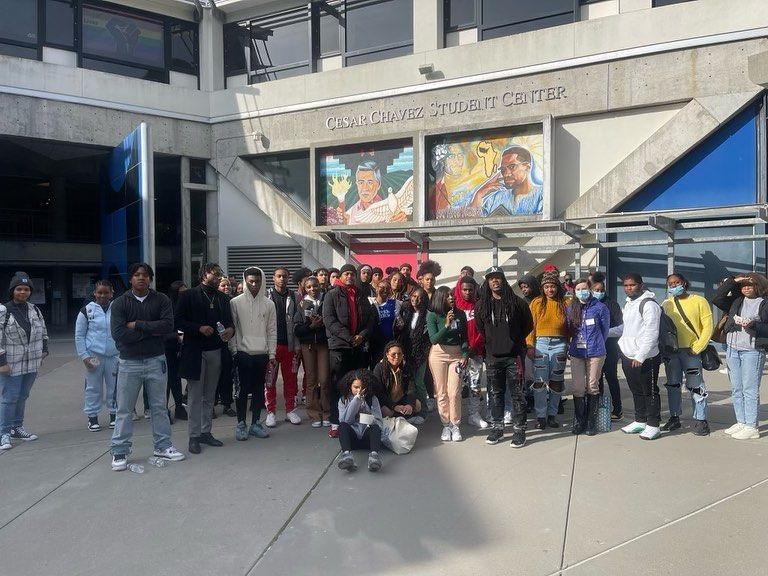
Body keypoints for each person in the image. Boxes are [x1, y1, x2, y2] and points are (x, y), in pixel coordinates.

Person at [109, 263, 185, 470]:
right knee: (124, 409)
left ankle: (162, 446)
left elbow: (168, 326)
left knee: (159, 407)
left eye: (145, 275)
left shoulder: (161, 300)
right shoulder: (120, 303)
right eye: (136, 275)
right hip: (129, 362)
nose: (141, 278)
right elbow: (119, 334)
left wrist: (138, 325)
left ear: (150, 279)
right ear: (131, 279)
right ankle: (119, 451)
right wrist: (151, 331)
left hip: (156, 360)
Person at [175, 263, 234, 454]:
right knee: (194, 397)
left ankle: (206, 432)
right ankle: (193, 436)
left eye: (219, 274)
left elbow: (229, 323)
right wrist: (198, 328)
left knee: (209, 396)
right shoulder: (188, 295)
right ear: (203, 275)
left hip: (216, 350)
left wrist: (230, 331)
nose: (218, 277)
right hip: (194, 351)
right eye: (214, 274)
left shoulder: (223, 298)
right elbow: (178, 321)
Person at [475, 266, 533, 448]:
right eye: (491, 278)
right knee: (495, 394)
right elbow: (480, 329)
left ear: (503, 280)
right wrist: (493, 341)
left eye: (498, 277)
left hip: (514, 356)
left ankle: (519, 430)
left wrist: (514, 340)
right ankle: (497, 428)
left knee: (517, 394)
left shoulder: (517, 303)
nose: (495, 281)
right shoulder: (482, 305)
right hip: (492, 357)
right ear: (488, 282)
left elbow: (528, 325)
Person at [323, 263, 378, 438]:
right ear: (340, 276)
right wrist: (348, 337)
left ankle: (360, 420)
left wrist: (362, 336)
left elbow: (370, 319)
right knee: (339, 385)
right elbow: (329, 319)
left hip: (359, 346)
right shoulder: (331, 295)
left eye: (352, 274)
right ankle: (336, 422)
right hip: (340, 347)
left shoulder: (361, 295)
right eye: (346, 274)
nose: (349, 277)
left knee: (360, 385)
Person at [713, 273, 768, 440]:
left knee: (749, 389)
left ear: (759, 286)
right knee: (736, 388)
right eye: (743, 285)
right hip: (732, 349)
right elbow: (718, 298)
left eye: (750, 284)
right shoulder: (736, 301)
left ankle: (751, 426)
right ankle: (741, 422)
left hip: (752, 350)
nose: (746, 288)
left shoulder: (764, 303)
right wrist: (733, 281)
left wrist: (753, 324)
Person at [660, 273, 713, 436]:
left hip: (691, 352)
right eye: (671, 284)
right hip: (672, 353)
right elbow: (662, 329)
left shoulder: (699, 301)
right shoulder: (666, 304)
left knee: (696, 385)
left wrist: (697, 347)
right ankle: (674, 416)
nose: (674, 286)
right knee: (673, 385)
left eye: (677, 282)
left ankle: (700, 419)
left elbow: (708, 326)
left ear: (684, 283)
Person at [0, 272, 48, 450]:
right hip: (10, 363)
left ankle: (16, 427)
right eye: (19, 289)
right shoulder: (3, 311)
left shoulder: (34, 309)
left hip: (31, 363)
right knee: (9, 398)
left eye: (26, 289)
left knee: (22, 396)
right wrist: (1, 362)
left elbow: (43, 331)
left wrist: (44, 350)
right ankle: (3, 433)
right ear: (12, 290)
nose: (23, 292)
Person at [230, 266, 276, 441]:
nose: (255, 284)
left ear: (262, 281)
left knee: (259, 390)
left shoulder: (269, 304)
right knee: (242, 391)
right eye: (251, 281)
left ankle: (256, 423)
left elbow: (272, 330)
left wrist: (272, 355)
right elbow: (232, 329)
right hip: (242, 353)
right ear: (245, 281)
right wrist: (234, 351)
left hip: (262, 354)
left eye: (257, 281)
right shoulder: (235, 302)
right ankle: (241, 423)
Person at [617, 273, 662, 441]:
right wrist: (607, 333)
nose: (629, 288)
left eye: (632, 285)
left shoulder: (649, 305)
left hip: (646, 357)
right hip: (628, 355)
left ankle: (653, 425)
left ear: (641, 285)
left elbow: (652, 333)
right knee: (636, 390)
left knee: (649, 391)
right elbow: (626, 328)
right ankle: (640, 420)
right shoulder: (629, 304)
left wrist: (641, 356)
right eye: (626, 285)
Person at [75, 279, 119, 432]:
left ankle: (114, 415)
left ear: (112, 293)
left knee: (115, 387)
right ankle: (92, 418)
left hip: (114, 355)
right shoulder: (86, 310)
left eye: (106, 292)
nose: (103, 295)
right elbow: (79, 336)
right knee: (93, 387)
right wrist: (84, 356)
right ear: (94, 293)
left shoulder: (118, 308)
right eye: (99, 292)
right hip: (94, 355)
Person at [566, 279, 610, 435]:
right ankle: (580, 420)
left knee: (592, 385)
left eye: (584, 288)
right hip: (577, 352)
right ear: (574, 291)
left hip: (596, 352)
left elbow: (605, 330)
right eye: (578, 289)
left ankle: (591, 421)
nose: (581, 291)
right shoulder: (571, 308)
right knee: (578, 386)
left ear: (590, 289)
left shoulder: (600, 307)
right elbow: (568, 329)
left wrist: (597, 344)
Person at [527, 271, 569, 430]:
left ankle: (552, 415)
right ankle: (540, 416)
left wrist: (569, 345)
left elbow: (570, 326)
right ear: (542, 288)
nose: (550, 290)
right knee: (539, 382)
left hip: (560, 344)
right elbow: (531, 326)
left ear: (557, 287)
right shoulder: (536, 303)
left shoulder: (565, 303)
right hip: (540, 344)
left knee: (556, 382)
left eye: (553, 286)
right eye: (547, 287)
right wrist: (530, 345)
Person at [427, 285, 469, 442]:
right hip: (438, 354)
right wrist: (446, 324)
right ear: (440, 298)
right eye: (448, 296)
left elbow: (464, 337)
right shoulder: (432, 316)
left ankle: (455, 425)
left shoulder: (460, 314)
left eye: (452, 295)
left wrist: (465, 355)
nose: (452, 298)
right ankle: (446, 425)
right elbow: (433, 339)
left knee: (454, 391)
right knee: (442, 391)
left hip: (456, 355)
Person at [265, 267, 303, 427]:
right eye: (279, 276)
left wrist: (297, 345)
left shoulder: (295, 296)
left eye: (285, 276)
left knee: (290, 380)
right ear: (273, 278)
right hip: (271, 347)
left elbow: (299, 322)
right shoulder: (266, 296)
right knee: (269, 381)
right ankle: (271, 412)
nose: (282, 279)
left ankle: (290, 411)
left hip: (289, 346)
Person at [453, 274, 488, 429]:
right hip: (457, 354)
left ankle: (474, 414)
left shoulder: (479, 306)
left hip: (476, 353)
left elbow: (483, 329)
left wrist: (474, 347)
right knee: (456, 387)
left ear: (475, 290)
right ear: (460, 290)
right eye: (464, 290)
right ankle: (454, 417)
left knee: (475, 386)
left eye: (470, 290)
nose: (467, 292)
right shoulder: (454, 307)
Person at [295, 276, 330, 427]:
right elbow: (297, 328)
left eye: (315, 286)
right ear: (305, 288)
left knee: (324, 380)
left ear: (319, 286)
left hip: (323, 344)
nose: (312, 289)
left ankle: (327, 412)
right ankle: (314, 414)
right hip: (308, 345)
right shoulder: (302, 303)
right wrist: (311, 327)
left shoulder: (326, 300)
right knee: (311, 380)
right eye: (309, 287)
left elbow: (332, 320)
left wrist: (322, 324)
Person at [468, 145, 543, 216]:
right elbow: (472, 224)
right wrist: (478, 195)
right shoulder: (495, 198)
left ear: (527, 167)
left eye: (512, 167)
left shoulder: (542, 194)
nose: (506, 174)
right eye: (503, 170)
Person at [394, 287, 431, 423]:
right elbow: (400, 330)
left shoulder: (428, 315)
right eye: (414, 296)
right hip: (406, 351)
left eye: (419, 297)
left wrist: (424, 351)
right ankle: (411, 410)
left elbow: (428, 337)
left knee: (419, 382)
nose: (416, 299)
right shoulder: (406, 312)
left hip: (420, 353)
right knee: (408, 383)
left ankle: (423, 411)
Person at [591, 273, 624, 420]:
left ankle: (617, 409)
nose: (598, 292)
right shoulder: (588, 304)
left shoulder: (612, 304)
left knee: (611, 378)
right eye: (595, 290)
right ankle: (598, 408)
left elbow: (621, 327)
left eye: (601, 289)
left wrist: (603, 333)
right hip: (593, 348)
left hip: (609, 348)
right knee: (596, 379)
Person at [336, 369, 383, 472]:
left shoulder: (372, 399)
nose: (359, 390)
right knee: (342, 426)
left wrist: (360, 416)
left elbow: (378, 422)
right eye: (356, 387)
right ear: (349, 387)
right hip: (353, 441)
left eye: (362, 387)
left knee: (375, 428)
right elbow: (345, 421)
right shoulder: (343, 400)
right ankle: (347, 456)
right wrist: (356, 401)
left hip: (368, 439)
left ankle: (374, 457)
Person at [372, 341, 421, 419]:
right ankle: (401, 417)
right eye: (393, 354)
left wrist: (409, 404)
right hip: (387, 402)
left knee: (417, 405)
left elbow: (411, 388)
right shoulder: (379, 368)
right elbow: (378, 393)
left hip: (401, 399)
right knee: (385, 412)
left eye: (399, 354)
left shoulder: (406, 367)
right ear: (387, 355)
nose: (397, 357)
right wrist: (393, 406)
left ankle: (402, 416)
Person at [165, 281, 188, 422]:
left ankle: (179, 407)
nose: (185, 295)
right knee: (166, 381)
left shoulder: (186, 307)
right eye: (182, 292)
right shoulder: (167, 308)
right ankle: (164, 409)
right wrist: (179, 336)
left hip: (181, 349)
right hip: (166, 348)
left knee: (177, 379)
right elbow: (164, 330)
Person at [369, 281, 399, 370]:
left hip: (388, 341)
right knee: (375, 367)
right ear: (377, 288)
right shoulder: (370, 302)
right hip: (374, 342)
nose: (385, 290)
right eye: (382, 287)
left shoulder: (394, 303)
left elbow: (399, 319)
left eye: (387, 288)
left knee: (387, 367)